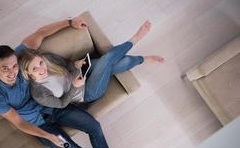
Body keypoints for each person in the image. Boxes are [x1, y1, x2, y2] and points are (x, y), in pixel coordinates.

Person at [0, 15, 127, 148]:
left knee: (94, 127)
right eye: (5, 69)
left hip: (53, 107)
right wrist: (48, 136)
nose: (12, 72)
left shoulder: (20, 57)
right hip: (41, 126)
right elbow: (19, 123)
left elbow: (41, 33)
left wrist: (70, 22)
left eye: (14, 66)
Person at [18, 20, 164, 109]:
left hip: (79, 73)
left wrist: (75, 64)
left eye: (41, 63)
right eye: (35, 69)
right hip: (85, 93)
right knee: (107, 60)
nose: (42, 69)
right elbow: (62, 104)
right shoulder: (39, 93)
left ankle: (143, 60)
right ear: (28, 72)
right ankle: (135, 39)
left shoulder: (47, 58)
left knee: (118, 62)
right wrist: (75, 87)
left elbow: (67, 65)